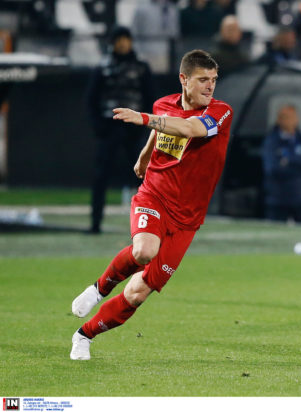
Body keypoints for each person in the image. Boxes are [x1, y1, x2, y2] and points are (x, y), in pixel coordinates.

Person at [69, 50, 233, 360]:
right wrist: (145, 156)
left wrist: (143, 119)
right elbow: (164, 129)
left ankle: (84, 335)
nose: (210, 86)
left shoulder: (221, 111)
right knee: (144, 250)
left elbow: (188, 128)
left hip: (188, 219)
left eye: (213, 79)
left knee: (136, 293)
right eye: (202, 80)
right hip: (154, 195)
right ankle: (98, 289)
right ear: (184, 79)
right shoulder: (163, 104)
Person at [86, 26, 154, 234]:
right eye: (119, 40)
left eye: (126, 39)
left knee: (144, 177)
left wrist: (143, 126)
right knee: (100, 175)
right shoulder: (102, 68)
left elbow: (150, 98)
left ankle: (149, 224)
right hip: (110, 128)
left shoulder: (142, 68)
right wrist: (99, 126)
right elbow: (91, 100)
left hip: (134, 130)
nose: (123, 43)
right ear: (113, 43)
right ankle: (95, 222)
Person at [262, 104, 301, 224]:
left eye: (292, 117)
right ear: (279, 120)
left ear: (297, 119)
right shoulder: (271, 141)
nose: (289, 120)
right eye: (285, 117)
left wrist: (288, 161)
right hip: (278, 198)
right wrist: (298, 165)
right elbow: (272, 169)